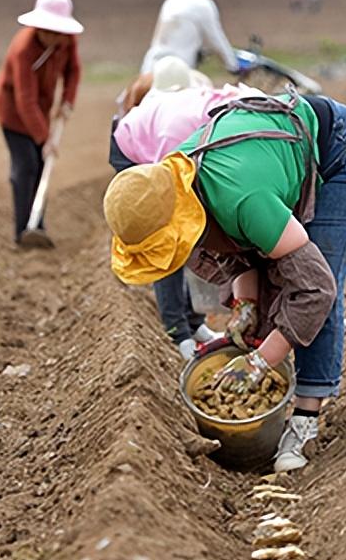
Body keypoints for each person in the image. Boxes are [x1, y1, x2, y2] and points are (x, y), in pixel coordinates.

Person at [103, 90, 346, 472]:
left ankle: (304, 421)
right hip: (269, 167)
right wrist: (246, 305)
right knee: (274, 285)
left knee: (317, 273)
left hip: (342, 155)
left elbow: (316, 290)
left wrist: (259, 364)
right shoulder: (177, 182)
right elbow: (237, 246)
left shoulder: (242, 198)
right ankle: (278, 402)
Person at [108, 57, 264, 359]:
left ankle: (195, 322)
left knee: (194, 238)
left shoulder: (221, 106)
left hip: (163, 147)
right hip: (132, 152)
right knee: (166, 242)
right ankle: (177, 331)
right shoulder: (176, 130)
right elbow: (169, 180)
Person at [0, 0, 83, 245]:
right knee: (26, 167)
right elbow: (25, 100)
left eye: (57, 31)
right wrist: (45, 139)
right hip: (13, 114)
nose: (52, 37)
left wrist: (67, 101)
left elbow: (74, 70)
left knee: (42, 166)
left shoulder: (67, 40)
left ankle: (37, 226)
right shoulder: (24, 51)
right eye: (47, 30)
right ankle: (22, 231)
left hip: (41, 110)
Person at [140, 0, 239, 75]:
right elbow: (216, 39)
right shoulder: (204, 4)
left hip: (151, 65)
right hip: (178, 71)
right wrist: (233, 65)